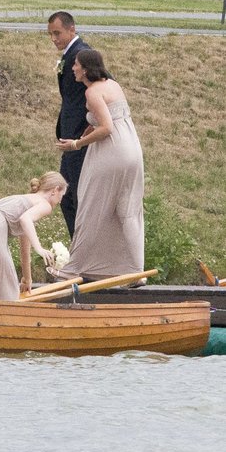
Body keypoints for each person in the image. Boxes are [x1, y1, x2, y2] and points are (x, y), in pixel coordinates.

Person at [53, 49, 144, 280]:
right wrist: (89, 127)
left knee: (90, 206)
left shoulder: (92, 92)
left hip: (111, 153)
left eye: (75, 65)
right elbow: (111, 118)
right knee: (128, 211)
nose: (72, 68)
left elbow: (106, 127)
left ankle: (73, 269)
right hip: (132, 150)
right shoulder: (113, 85)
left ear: (85, 69)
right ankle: (136, 272)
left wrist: (77, 144)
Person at [0, 172, 67, 300]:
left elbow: (24, 250)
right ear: (55, 190)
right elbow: (25, 219)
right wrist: (39, 248)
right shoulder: (44, 204)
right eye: (62, 195)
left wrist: (27, 279)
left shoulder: (26, 199)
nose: (61, 201)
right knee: (7, 286)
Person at [48, 11, 93, 238]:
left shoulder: (82, 53)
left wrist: (91, 125)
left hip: (78, 140)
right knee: (66, 195)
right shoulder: (69, 55)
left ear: (71, 29)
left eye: (57, 33)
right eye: (51, 34)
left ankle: (83, 249)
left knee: (76, 196)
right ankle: (78, 247)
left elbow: (104, 83)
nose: (54, 38)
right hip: (69, 138)